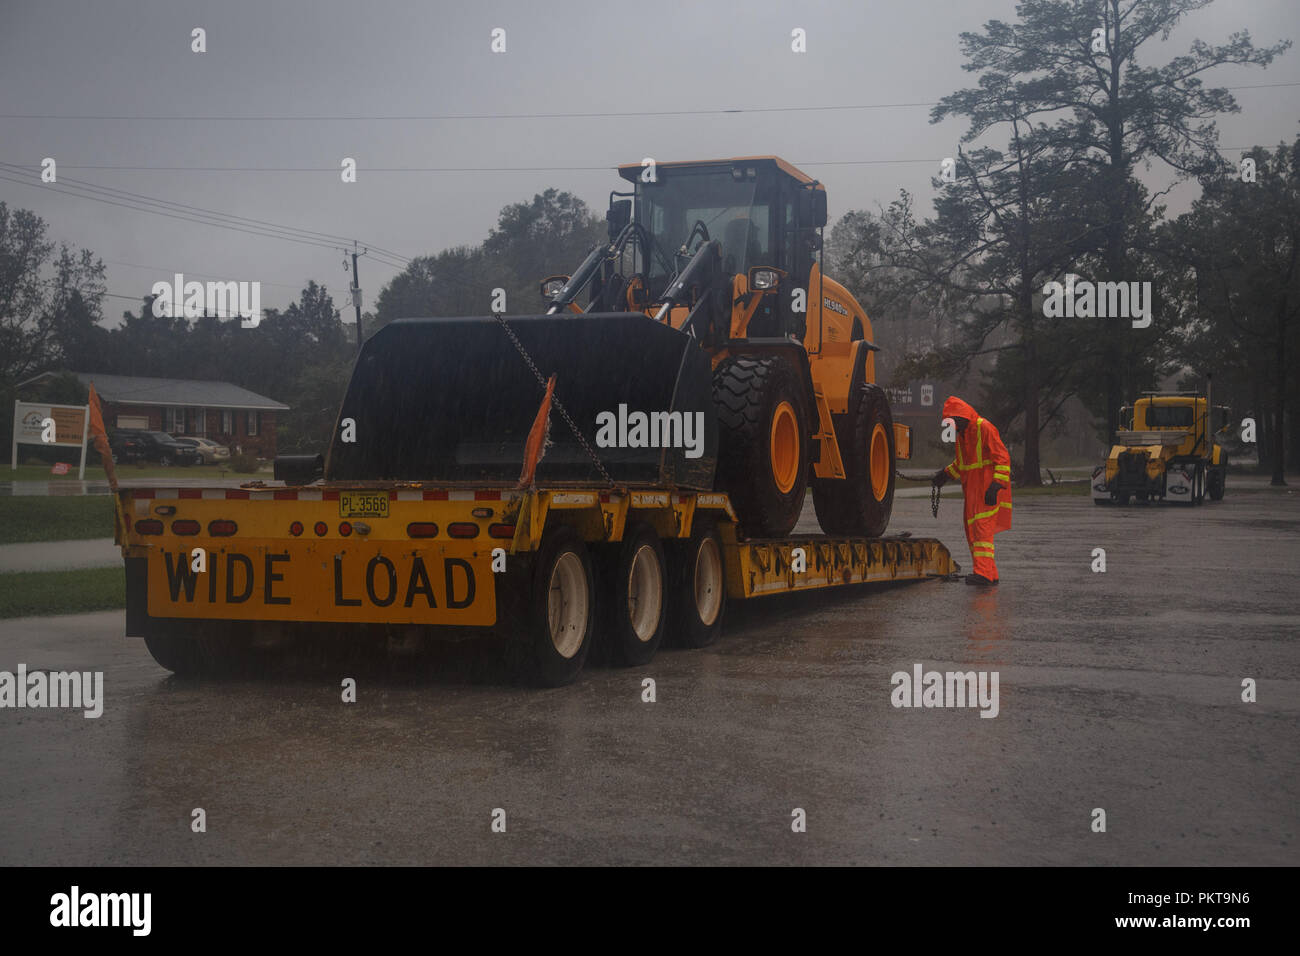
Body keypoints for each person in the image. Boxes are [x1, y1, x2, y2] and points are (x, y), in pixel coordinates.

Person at [931, 397, 1012, 586]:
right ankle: (989, 573)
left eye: (955, 422)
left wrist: (996, 485)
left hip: (986, 491)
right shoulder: (963, 435)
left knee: (981, 531)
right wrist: (945, 474)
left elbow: (1002, 458)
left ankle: (983, 574)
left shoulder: (984, 428)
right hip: (973, 493)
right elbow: (962, 464)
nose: (954, 427)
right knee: (974, 533)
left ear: (962, 416)